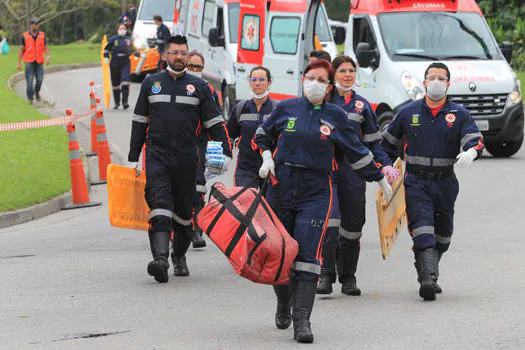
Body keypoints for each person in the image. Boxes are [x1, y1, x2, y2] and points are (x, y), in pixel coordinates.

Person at [254, 60, 392, 343]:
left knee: (307, 253)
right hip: (281, 187)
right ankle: (284, 301)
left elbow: (356, 151)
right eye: (311, 77)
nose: (315, 83)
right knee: (279, 252)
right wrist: (267, 157)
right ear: (303, 80)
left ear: (329, 87)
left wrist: (378, 177)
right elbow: (262, 135)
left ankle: (302, 320)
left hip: (317, 190)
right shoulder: (286, 108)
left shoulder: (337, 116)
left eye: (321, 80)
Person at [127, 35, 232, 283]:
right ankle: (160, 261)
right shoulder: (151, 83)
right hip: (157, 156)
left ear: (187, 55)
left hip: (187, 158)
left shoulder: (200, 87)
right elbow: (139, 121)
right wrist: (133, 158)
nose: (179, 57)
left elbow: (215, 124)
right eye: (174, 53)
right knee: (159, 206)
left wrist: (224, 152)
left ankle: (179, 256)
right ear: (165, 56)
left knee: (185, 217)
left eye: (183, 53)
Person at [381, 62, 484, 301]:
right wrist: (386, 166)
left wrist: (471, 152)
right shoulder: (408, 112)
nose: (436, 82)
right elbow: (386, 144)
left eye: (441, 78)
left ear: (448, 84)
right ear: (424, 82)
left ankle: (430, 271)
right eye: (431, 77)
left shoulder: (459, 114)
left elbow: (475, 140)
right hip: (416, 180)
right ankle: (428, 279)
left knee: (444, 236)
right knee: (422, 228)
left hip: (445, 182)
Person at [317, 55, 400, 296]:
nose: (348, 74)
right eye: (342, 70)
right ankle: (325, 275)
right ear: (334, 74)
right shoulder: (323, 102)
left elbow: (374, 145)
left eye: (352, 70)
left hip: (354, 174)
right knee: (330, 224)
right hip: (327, 172)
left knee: (353, 228)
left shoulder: (363, 106)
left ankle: (348, 277)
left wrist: (384, 166)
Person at [187, 50, 221, 248]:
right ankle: (180, 229)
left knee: (198, 188)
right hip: (178, 146)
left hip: (200, 145)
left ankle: (197, 230)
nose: (194, 70)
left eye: (198, 67)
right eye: (190, 66)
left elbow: (216, 121)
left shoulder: (208, 90)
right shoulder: (175, 86)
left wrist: (217, 151)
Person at [226, 66, 277, 187]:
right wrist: (225, 156)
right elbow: (229, 136)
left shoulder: (276, 110)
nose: (257, 83)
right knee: (243, 205)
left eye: (261, 79)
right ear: (250, 83)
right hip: (245, 169)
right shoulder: (240, 109)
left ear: (269, 83)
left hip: (271, 167)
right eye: (254, 80)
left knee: (269, 206)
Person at [17, 18, 50, 104]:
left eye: (38, 24)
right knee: (30, 80)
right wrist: (19, 63)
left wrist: (48, 57)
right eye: (35, 24)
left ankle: (36, 92)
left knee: (40, 79)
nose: (37, 25)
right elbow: (21, 50)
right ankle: (30, 98)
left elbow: (46, 46)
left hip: (39, 61)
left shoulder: (42, 35)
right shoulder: (24, 36)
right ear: (31, 25)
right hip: (29, 61)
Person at [104, 24, 134, 110]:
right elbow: (107, 49)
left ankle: (125, 102)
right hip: (115, 61)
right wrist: (106, 56)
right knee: (115, 83)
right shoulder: (113, 39)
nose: (122, 30)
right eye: (121, 29)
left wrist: (137, 53)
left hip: (125, 61)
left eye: (124, 29)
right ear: (118, 30)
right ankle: (116, 102)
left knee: (126, 81)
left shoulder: (128, 39)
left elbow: (133, 49)